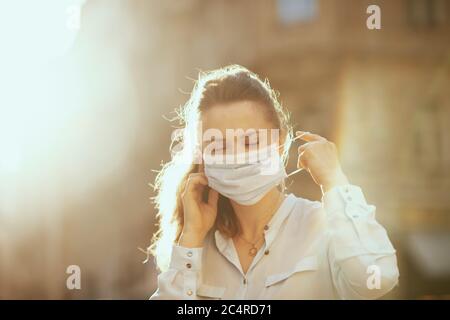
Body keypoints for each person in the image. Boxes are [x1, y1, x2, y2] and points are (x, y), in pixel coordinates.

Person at [148, 65, 399, 299]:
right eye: (219, 145)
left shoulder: (323, 228)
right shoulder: (198, 248)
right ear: (202, 157)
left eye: (250, 142)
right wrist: (191, 237)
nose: (236, 157)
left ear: (279, 143)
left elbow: (376, 278)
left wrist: (336, 183)